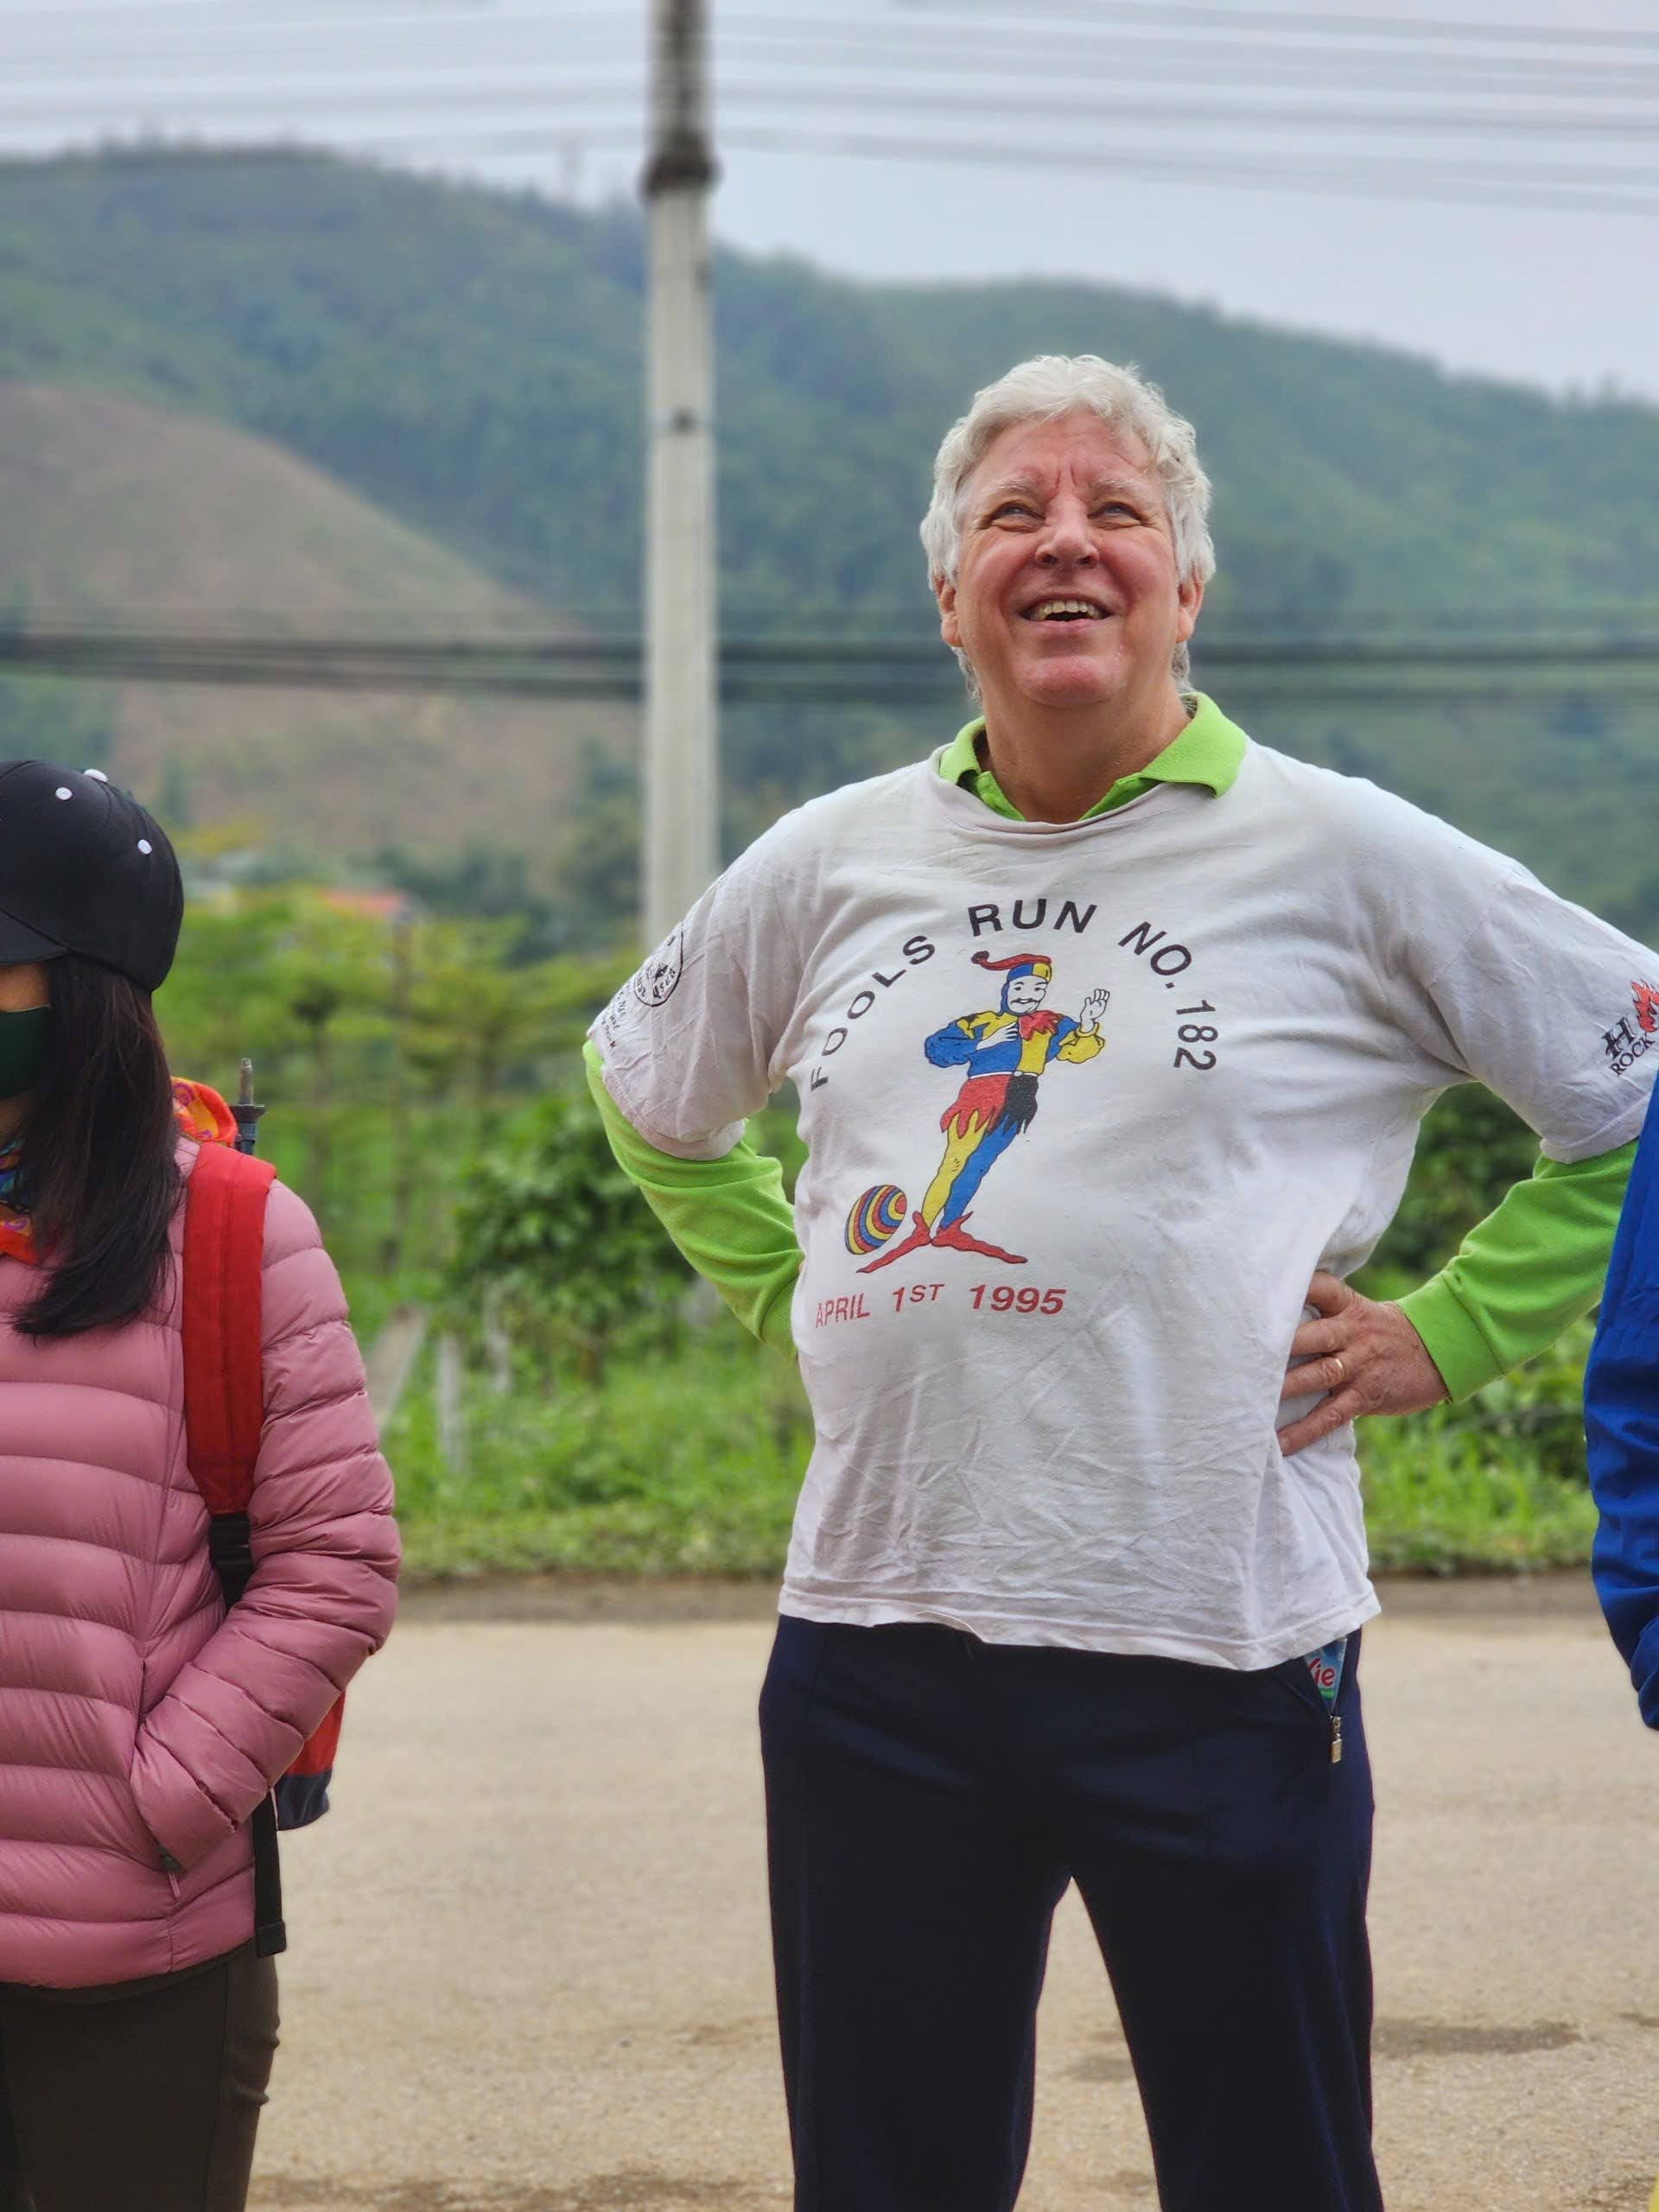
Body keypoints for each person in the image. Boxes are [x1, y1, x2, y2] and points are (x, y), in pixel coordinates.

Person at [586, 354, 1655, 2211]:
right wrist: (793, 1291)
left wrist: (1456, 1330)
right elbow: (648, 1090)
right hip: (878, 1647)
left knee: (1272, 2172)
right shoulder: (831, 859)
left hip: (1218, 1645)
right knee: (885, 2179)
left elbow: (1634, 1085)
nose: (1065, 541)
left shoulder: (1344, 850)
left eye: (1117, 512)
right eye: (1014, 513)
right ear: (951, 595)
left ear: (1187, 585)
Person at [0, 760, 399, 2212]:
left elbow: (335, 1564)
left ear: (85, 990)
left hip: (134, 1957)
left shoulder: (231, 1235)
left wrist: (151, 1801)